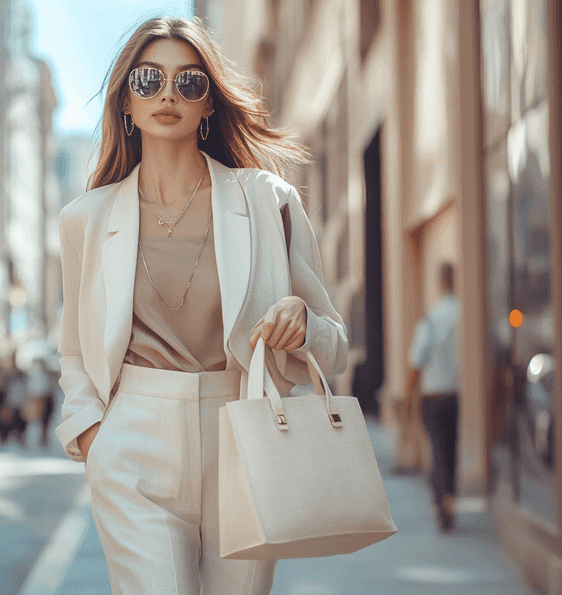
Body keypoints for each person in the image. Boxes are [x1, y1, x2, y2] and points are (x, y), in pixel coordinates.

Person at [54, 16, 348, 595]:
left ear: (209, 103)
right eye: (148, 80)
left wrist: (303, 324)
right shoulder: (85, 219)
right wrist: (92, 435)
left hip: (245, 432)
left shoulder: (268, 202)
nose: (168, 94)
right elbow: (73, 350)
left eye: (189, 82)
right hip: (133, 443)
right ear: (126, 103)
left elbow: (334, 345)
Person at [406, 262, 460, 532]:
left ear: (440, 281)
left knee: (437, 453)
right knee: (450, 451)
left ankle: (442, 504)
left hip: (433, 397)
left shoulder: (432, 317)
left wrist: (408, 397)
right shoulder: (463, 314)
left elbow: (416, 361)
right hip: (454, 396)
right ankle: (449, 498)